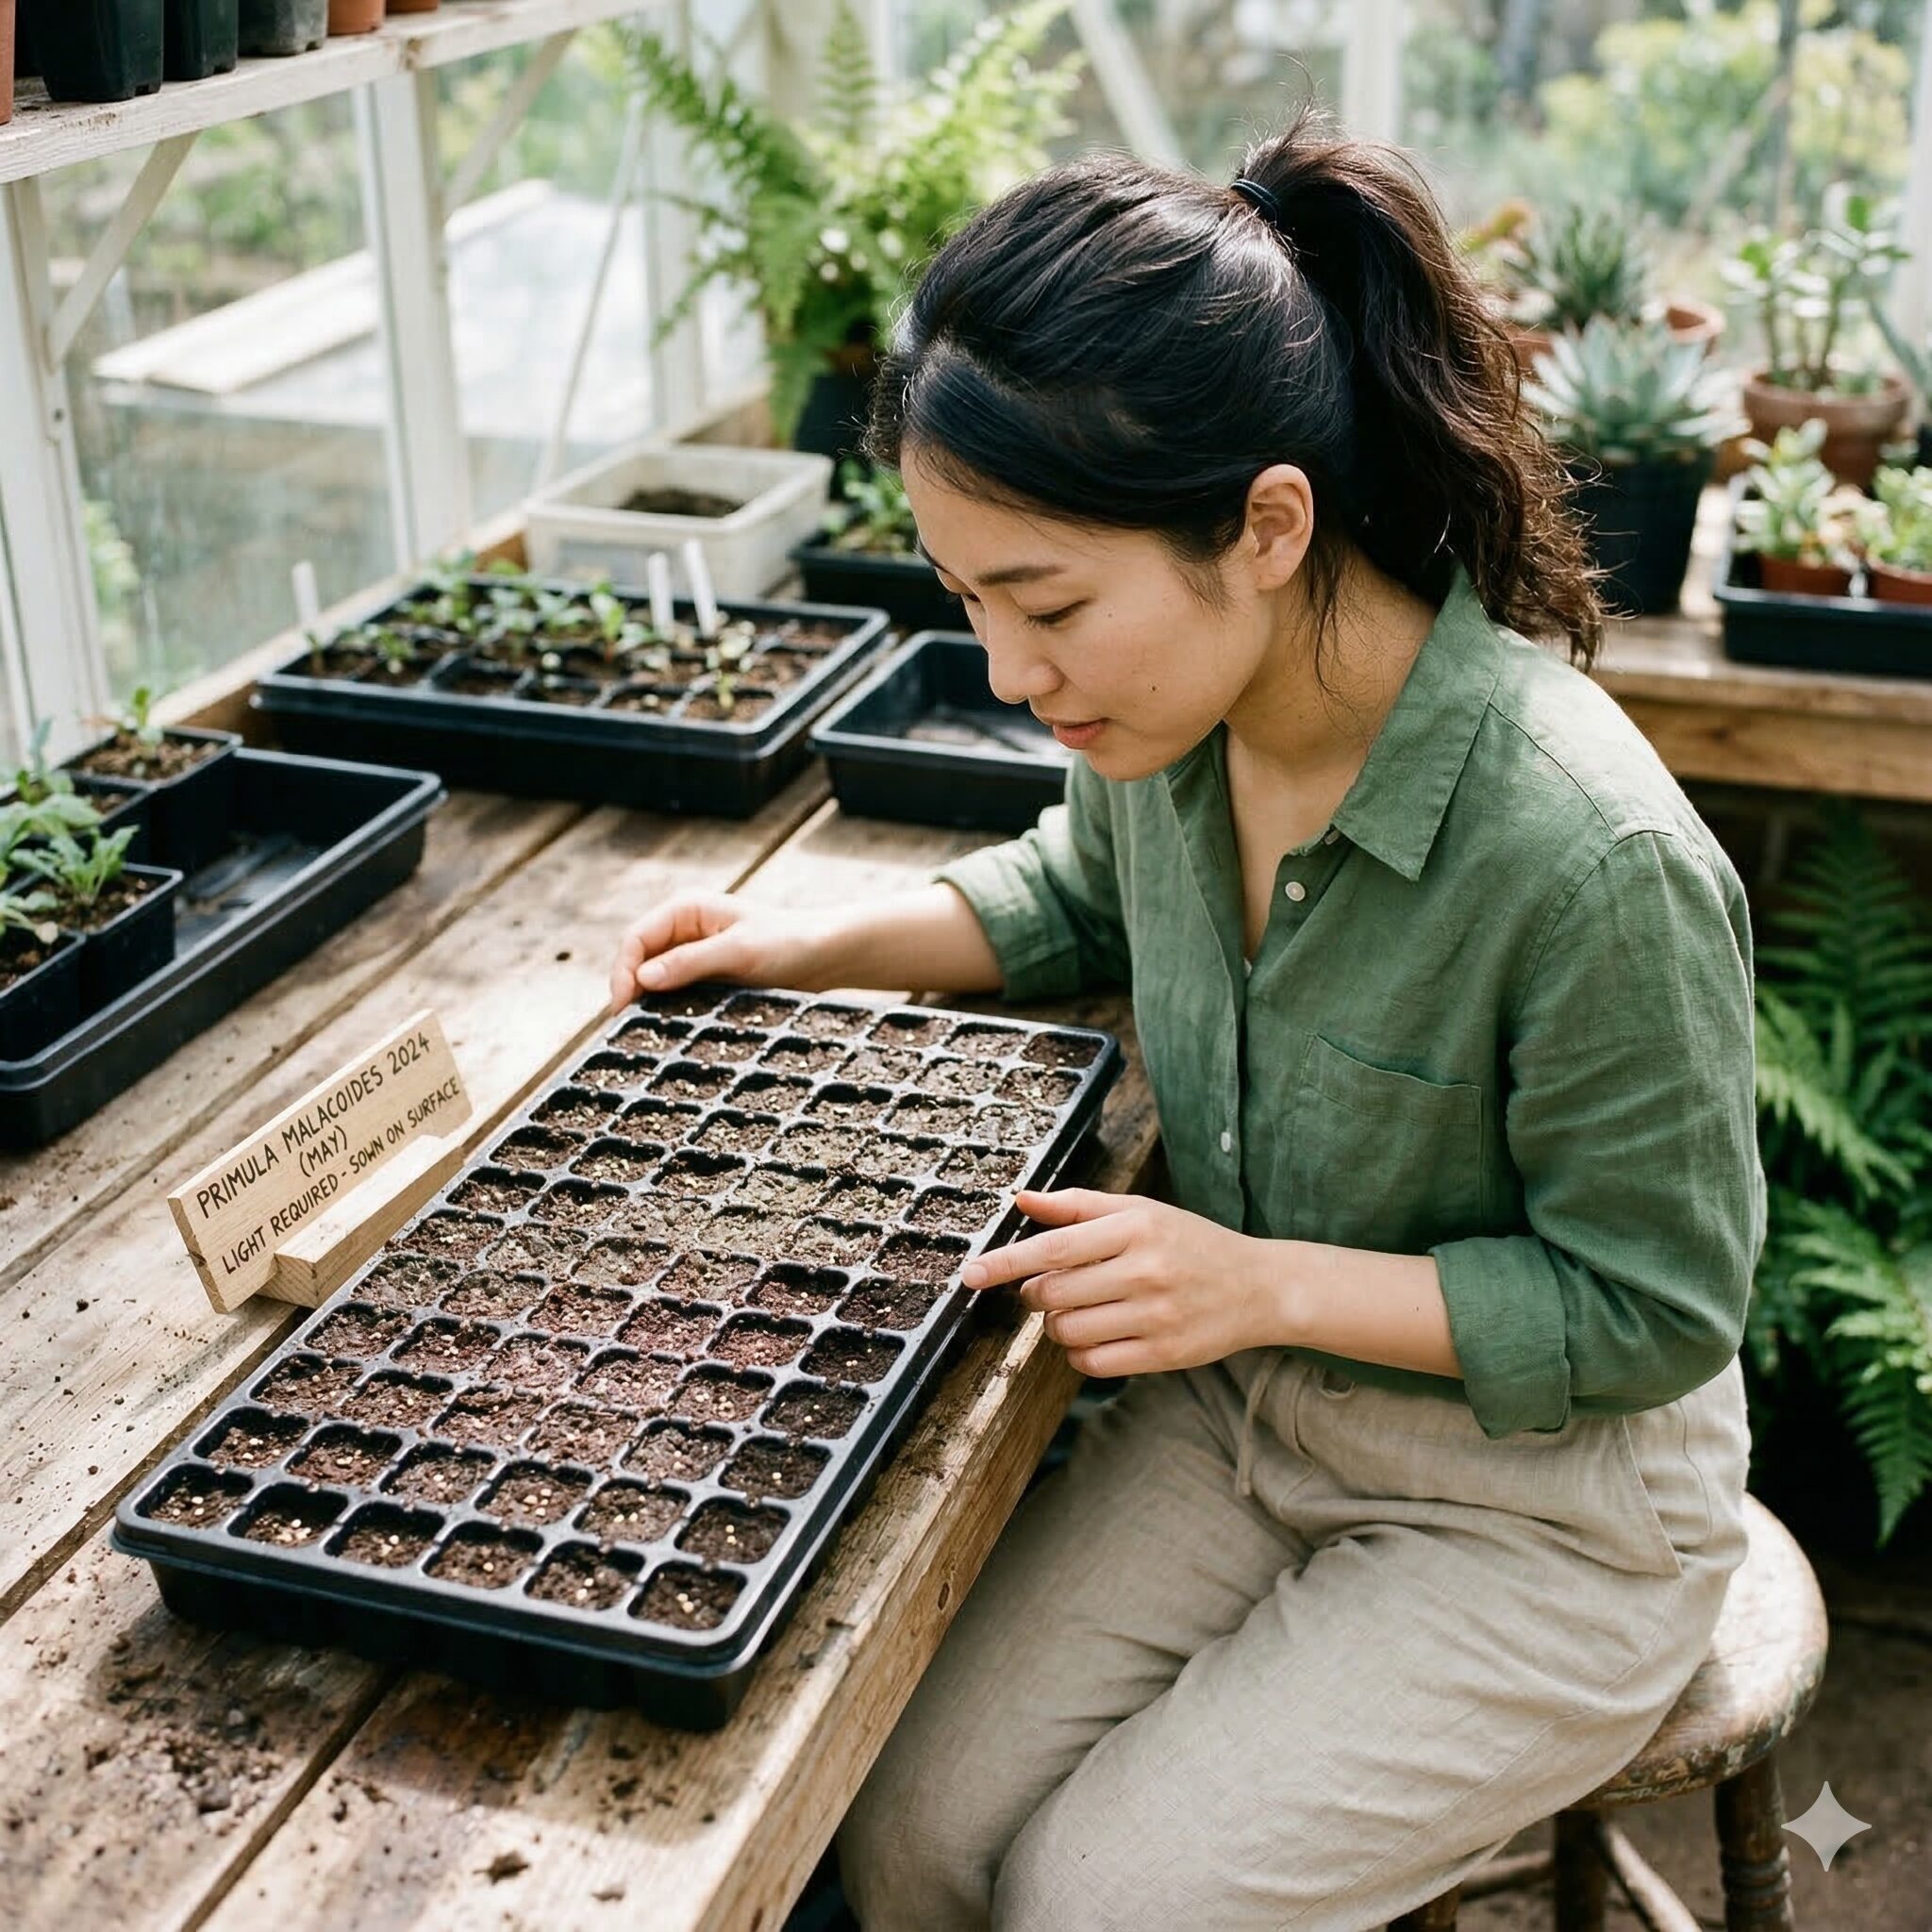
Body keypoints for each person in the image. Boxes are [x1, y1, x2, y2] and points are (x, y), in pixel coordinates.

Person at [608, 113, 1760, 1932]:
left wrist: (1261, 1282)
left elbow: (1657, 1304)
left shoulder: (1589, 854)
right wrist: (803, 940)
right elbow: (1071, 899)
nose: (1007, 673)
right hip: (1241, 1417)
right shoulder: (1165, 735)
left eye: (1047, 603)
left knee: (1102, 1900)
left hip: (1543, 1513)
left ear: (1268, 526)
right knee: (896, 1834)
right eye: (971, 601)